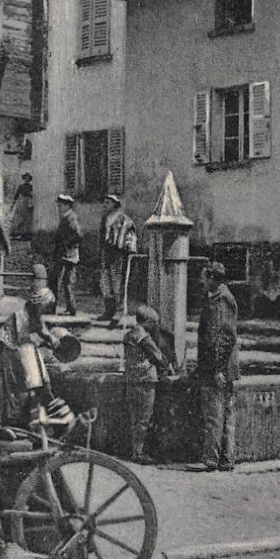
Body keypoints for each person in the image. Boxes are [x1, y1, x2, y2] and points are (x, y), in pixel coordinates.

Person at [0, 264, 56, 429]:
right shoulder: (21, 314)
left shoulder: (35, 311)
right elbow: (24, 340)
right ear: (39, 306)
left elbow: (40, 329)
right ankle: (6, 423)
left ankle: (24, 421)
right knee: (12, 385)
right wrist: (44, 341)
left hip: (19, 345)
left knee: (32, 381)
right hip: (7, 348)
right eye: (44, 308)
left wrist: (49, 338)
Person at [192, 262, 240, 472]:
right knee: (224, 412)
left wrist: (218, 368)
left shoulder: (222, 300)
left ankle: (212, 458)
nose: (201, 282)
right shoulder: (216, 298)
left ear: (212, 278)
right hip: (218, 365)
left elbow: (225, 337)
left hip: (218, 367)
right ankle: (226, 459)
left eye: (204, 278)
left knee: (215, 414)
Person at [123, 305, 175, 464]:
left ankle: (135, 449)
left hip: (131, 379)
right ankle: (139, 453)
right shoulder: (144, 337)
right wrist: (168, 366)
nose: (155, 326)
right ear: (146, 322)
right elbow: (158, 355)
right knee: (144, 417)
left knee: (134, 417)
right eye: (153, 323)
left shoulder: (128, 335)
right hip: (145, 379)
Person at [97, 194, 137, 327]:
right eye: (104, 202)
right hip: (106, 253)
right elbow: (102, 237)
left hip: (118, 254)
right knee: (105, 283)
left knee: (117, 283)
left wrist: (128, 249)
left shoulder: (124, 219)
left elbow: (131, 235)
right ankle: (108, 311)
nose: (104, 205)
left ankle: (119, 313)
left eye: (107, 202)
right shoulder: (104, 219)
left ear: (115, 204)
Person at [49, 193, 82, 316]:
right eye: (58, 205)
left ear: (68, 206)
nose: (59, 208)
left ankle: (51, 308)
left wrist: (67, 245)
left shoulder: (71, 217)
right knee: (68, 282)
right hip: (66, 255)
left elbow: (78, 235)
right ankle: (71, 308)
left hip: (66, 255)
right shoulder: (67, 217)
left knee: (55, 281)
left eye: (61, 205)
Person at [9, 173, 34, 239]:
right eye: (25, 178)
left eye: (28, 179)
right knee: (18, 218)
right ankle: (16, 233)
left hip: (28, 203)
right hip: (21, 203)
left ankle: (25, 234)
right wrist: (12, 205)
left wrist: (30, 202)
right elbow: (16, 196)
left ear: (29, 180)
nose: (26, 180)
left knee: (27, 218)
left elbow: (32, 196)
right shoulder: (21, 186)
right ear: (24, 179)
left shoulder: (31, 187)